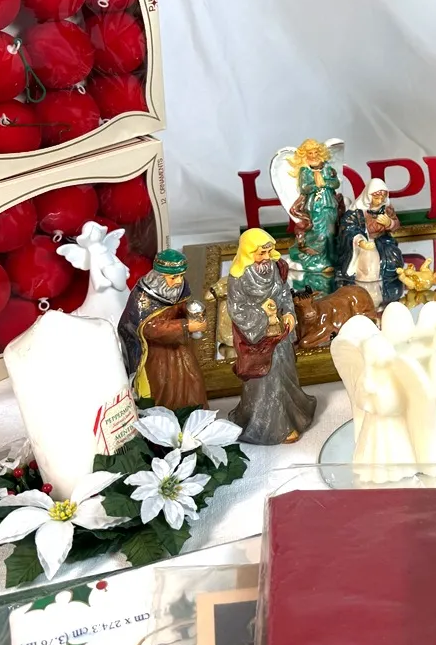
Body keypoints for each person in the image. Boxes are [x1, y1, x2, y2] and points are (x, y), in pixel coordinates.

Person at [225, 228, 317, 444]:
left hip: (280, 333)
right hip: (258, 338)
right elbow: (237, 309)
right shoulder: (238, 277)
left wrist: (289, 313)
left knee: (285, 370)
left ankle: (293, 413)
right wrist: (263, 314)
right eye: (261, 253)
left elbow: (284, 293)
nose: (266, 257)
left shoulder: (275, 268)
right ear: (249, 252)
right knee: (266, 379)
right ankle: (273, 426)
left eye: (268, 251)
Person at [118, 249, 208, 410]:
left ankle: (191, 414)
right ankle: (163, 417)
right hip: (155, 352)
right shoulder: (143, 296)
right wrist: (186, 325)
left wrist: (192, 313)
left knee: (192, 380)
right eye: (174, 277)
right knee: (162, 384)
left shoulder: (180, 287)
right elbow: (148, 328)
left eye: (181, 275)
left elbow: (181, 306)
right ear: (159, 277)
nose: (179, 281)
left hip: (179, 346)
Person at [287, 139, 343, 295]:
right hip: (315, 206)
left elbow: (336, 183)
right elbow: (304, 187)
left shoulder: (327, 168)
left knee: (331, 231)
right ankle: (317, 259)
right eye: (310, 153)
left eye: (315, 152)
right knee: (318, 232)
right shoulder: (305, 171)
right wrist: (315, 184)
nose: (313, 155)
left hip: (329, 203)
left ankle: (330, 258)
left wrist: (324, 183)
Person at [338, 178, 404, 307]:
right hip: (361, 243)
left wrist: (389, 223)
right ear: (369, 196)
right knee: (366, 266)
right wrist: (360, 241)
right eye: (376, 197)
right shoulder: (357, 212)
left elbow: (396, 224)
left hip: (383, 241)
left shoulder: (387, 209)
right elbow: (348, 228)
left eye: (383, 197)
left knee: (393, 261)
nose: (380, 200)